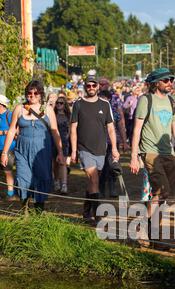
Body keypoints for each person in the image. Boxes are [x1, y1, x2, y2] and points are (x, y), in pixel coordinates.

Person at [130, 67, 175, 245]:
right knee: (160, 190)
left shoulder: (172, 102)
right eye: (166, 80)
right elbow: (137, 129)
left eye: (171, 80)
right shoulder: (146, 100)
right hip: (150, 152)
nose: (170, 83)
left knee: (164, 196)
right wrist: (134, 156)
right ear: (156, 83)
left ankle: (150, 232)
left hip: (169, 154)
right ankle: (148, 231)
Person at [1, 80, 64, 212]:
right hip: (22, 150)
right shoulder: (19, 108)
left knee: (42, 178)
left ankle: (38, 212)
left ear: (41, 94)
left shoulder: (47, 110)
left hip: (42, 151)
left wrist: (60, 152)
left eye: (36, 93)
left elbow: (54, 131)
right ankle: (25, 211)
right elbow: (12, 130)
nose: (32, 95)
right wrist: (4, 152)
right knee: (23, 178)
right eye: (29, 93)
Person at [70, 75, 119, 222]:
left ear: (98, 87)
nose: (91, 88)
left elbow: (111, 128)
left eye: (93, 85)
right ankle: (97, 215)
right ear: (84, 87)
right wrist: (73, 150)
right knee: (94, 179)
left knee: (93, 181)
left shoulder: (105, 105)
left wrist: (115, 148)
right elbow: (73, 128)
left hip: (101, 149)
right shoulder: (78, 104)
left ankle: (86, 210)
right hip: (84, 148)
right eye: (88, 85)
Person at [0, 94, 16, 200]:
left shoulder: (9, 115)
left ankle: (11, 193)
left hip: (9, 148)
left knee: (7, 170)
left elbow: (16, 132)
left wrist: (3, 132)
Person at [54, 95, 71, 194]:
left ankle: (64, 184)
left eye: (61, 103)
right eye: (57, 103)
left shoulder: (68, 116)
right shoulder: (53, 115)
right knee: (54, 164)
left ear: (65, 105)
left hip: (64, 141)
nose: (59, 105)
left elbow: (71, 130)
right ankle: (56, 181)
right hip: (52, 142)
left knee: (62, 163)